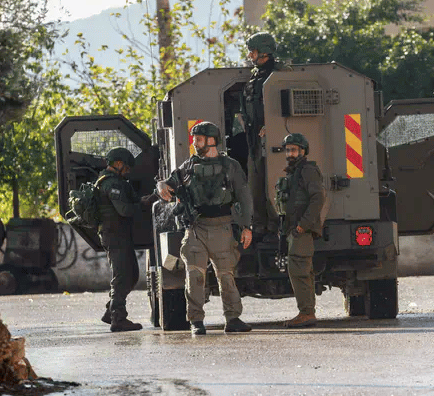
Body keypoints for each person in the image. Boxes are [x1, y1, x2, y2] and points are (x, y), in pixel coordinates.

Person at [156, 121, 254, 335]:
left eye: (199, 139)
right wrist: (162, 186)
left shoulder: (231, 166)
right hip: (196, 229)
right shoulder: (189, 166)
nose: (195, 143)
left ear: (211, 140)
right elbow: (169, 182)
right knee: (194, 276)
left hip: (223, 227)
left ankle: (233, 318)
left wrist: (246, 227)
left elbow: (245, 197)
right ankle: (196, 321)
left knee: (226, 276)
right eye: (194, 139)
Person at [242, 31, 291, 239]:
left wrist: (272, 125)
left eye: (252, 52)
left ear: (264, 52)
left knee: (273, 183)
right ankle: (260, 225)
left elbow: (287, 105)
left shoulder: (281, 73)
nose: (250, 56)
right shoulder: (255, 77)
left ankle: (275, 224)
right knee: (255, 183)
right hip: (255, 141)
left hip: (275, 139)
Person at [274, 133, 326, 328]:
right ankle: (307, 311)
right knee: (301, 269)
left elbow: (318, 198)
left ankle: (306, 313)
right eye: (288, 150)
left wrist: (303, 224)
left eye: (294, 150)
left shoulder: (307, 170)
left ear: (303, 151)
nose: (290, 153)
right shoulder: (295, 172)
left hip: (301, 230)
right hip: (294, 229)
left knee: (300, 270)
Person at [97, 146, 150, 332]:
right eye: (126, 168)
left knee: (132, 274)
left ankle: (110, 311)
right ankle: (118, 319)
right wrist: (142, 204)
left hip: (119, 235)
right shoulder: (111, 184)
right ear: (118, 164)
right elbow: (124, 210)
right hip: (114, 235)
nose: (127, 172)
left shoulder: (115, 181)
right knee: (122, 276)